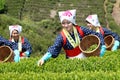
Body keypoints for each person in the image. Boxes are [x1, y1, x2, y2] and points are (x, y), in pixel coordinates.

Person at [37, 9, 106, 66]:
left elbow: (97, 34)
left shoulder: (80, 29)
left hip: (85, 58)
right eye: (63, 23)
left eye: (68, 23)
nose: (66, 25)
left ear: (72, 22)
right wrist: (44, 58)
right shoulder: (61, 37)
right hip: (71, 61)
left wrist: (103, 46)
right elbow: (54, 48)